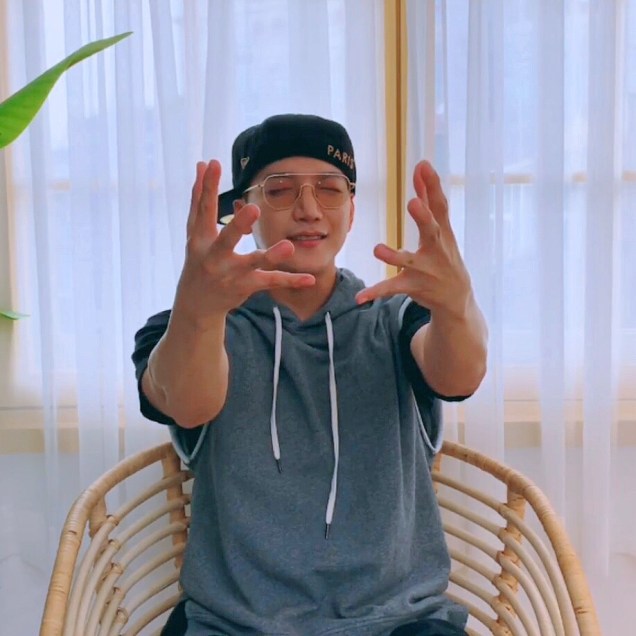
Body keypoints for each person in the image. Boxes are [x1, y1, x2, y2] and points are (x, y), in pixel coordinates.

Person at [132, 113, 488, 636]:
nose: (308, 209)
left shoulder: (394, 319)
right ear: (242, 211)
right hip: (233, 624)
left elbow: (460, 375)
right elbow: (187, 402)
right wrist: (197, 311)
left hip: (399, 621)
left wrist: (456, 306)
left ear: (351, 209)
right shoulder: (190, 327)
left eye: (329, 189)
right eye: (279, 190)